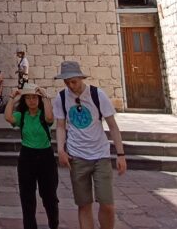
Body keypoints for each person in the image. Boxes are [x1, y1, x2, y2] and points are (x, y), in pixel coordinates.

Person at [53, 61, 126, 229]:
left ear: (81, 78)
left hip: (100, 155)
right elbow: (60, 126)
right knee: (84, 204)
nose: (70, 86)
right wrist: (61, 150)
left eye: (74, 81)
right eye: (66, 82)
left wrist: (120, 154)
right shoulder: (62, 98)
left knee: (107, 204)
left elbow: (113, 126)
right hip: (77, 156)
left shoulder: (97, 95)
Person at [4, 83, 58, 229]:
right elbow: (8, 117)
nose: (32, 101)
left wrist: (45, 97)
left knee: (49, 195)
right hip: (27, 156)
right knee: (27, 195)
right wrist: (11, 98)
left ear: (39, 100)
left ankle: (54, 223)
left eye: (34, 98)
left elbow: (49, 118)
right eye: (28, 98)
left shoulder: (43, 115)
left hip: (45, 157)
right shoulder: (22, 116)